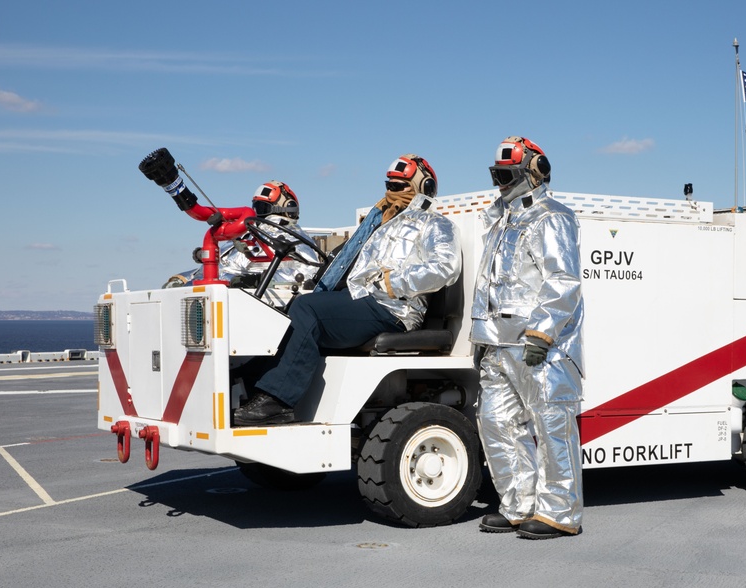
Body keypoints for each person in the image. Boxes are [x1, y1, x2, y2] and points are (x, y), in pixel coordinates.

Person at [233, 154, 461, 426]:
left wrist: (393, 283)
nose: (392, 191)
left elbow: (446, 268)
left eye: (400, 186)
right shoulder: (380, 224)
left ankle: (278, 401)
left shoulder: (436, 224)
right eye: (389, 185)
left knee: (308, 309)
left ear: (424, 187)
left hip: (394, 309)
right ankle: (250, 384)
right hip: (363, 299)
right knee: (293, 306)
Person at [470, 136, 585, 540]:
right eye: (496, 174)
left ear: (533, 172)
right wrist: (480, 338)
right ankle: (519, 505)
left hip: (539, 346)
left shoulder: (551, 217)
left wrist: (543, 331)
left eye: (507, 174)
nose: (500, 182)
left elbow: (563, 280)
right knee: (496, 422)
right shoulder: (500, 220)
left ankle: (560, 513)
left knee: (552, 424)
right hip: (497, 342)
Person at [138, 148, 319, 288]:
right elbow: (222, 265)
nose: (259, 213)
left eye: (264, 208)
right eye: (257, 207)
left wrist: (247, 280)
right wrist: (185, 277)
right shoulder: (247, 235)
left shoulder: (295, 240)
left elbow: (306, 273)